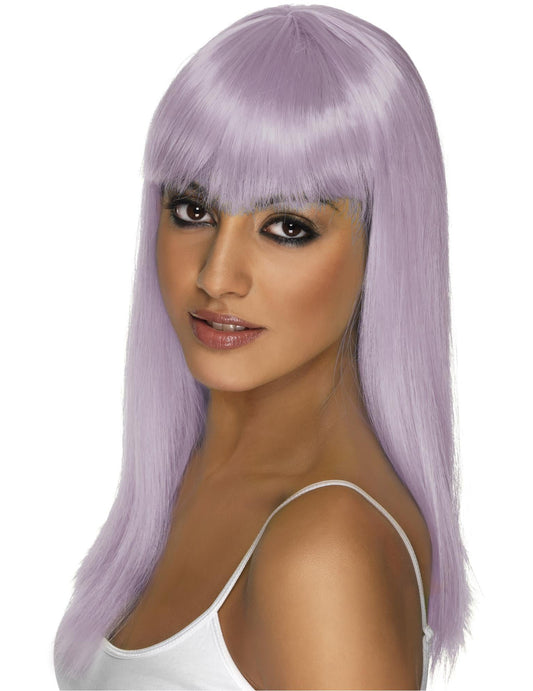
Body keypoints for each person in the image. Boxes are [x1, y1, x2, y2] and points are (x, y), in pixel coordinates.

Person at [54, 4, 473, 689]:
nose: (217, 276)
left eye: (286, 226)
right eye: (193, 210)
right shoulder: (188, 474)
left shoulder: (324, 548)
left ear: (384, 245)